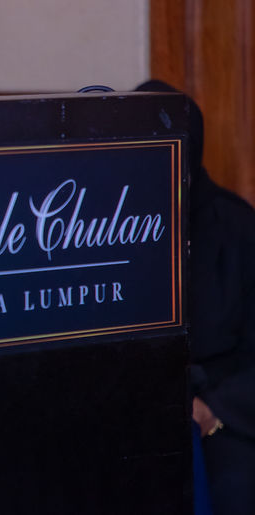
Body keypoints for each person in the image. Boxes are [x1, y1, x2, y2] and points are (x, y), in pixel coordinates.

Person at [137, 80, 255, 515]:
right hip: (137, 405)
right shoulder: (105, 231)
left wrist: (213, 410)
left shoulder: (237, 228)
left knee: (233, 487)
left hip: (221, 413)